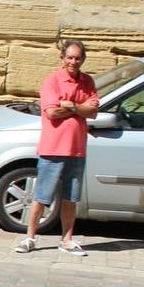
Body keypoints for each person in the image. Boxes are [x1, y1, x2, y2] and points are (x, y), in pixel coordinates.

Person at [16, 40, 98, 256]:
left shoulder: (88, 81)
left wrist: (70, 105)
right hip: (53, 148)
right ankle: (30, 237)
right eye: (70, 57)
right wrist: (79, 109)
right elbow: (51, 112)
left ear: (83, 59)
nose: (73, 61)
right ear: (62, 58)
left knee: (71, 198)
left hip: (77, 148)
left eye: (78, 58)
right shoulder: (53, 80)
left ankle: (67, 240)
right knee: (42, 196)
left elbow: (93, 112)